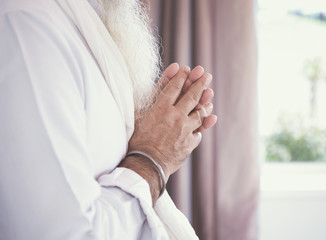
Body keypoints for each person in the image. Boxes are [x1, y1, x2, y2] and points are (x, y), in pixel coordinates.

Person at [0, 0, 217, 239]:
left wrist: (146, 131)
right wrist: (152, 158)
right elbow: (67, 233)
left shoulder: (84, 18)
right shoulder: (25, 25)